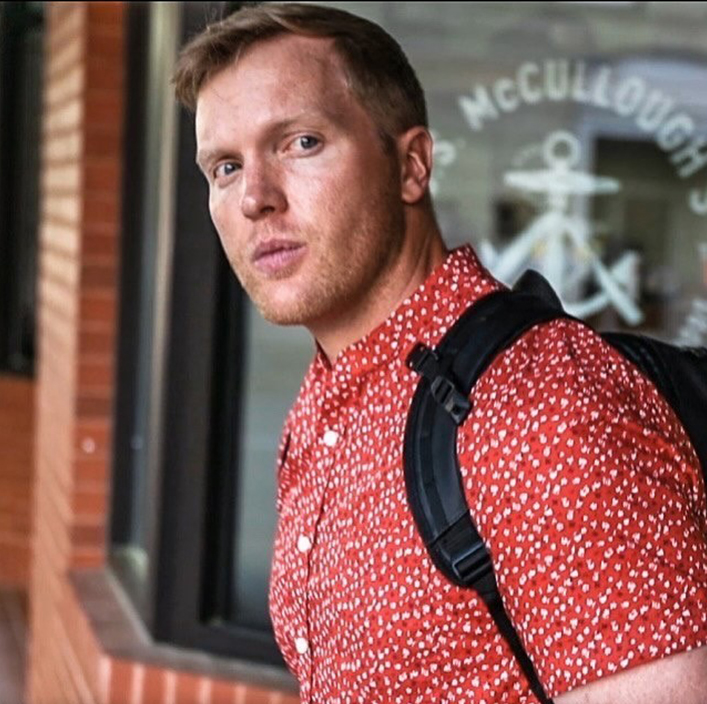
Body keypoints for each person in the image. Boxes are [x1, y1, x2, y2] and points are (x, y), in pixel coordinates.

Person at [173, 3, 707, 702]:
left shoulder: (539, 413)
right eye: (224, 167)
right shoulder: (333, 397)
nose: (254, 199)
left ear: (411, 165)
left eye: (301, 142)